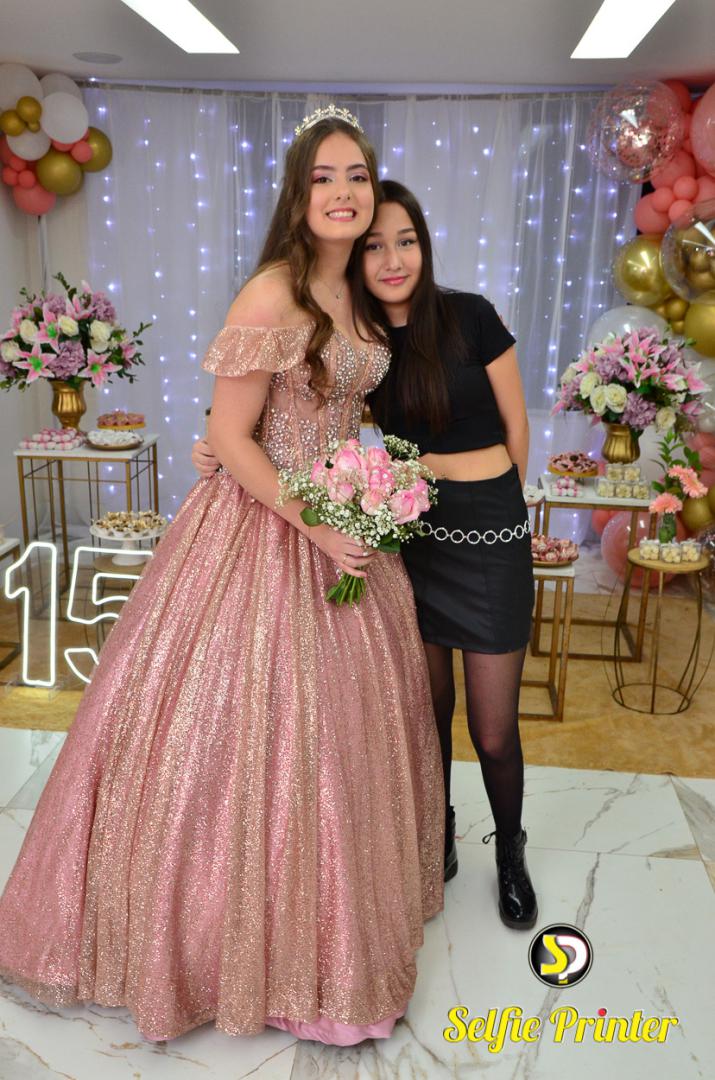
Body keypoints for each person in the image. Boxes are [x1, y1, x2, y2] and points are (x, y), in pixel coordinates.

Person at [0, 113, 444, 1046]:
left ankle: (333, 934)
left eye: (356, 177)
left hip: (339, 516)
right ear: (298, 192)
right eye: (323, 177)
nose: (342, 193)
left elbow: (323, 410)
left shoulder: (360, 290)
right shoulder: (271, 292)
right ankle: (216, 948)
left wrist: (366, 485)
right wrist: (316, 522)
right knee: (233, 731)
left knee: (339, 741)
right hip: (264, 528)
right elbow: (234, 436)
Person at [194, 178, 537, 930]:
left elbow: (517, 429)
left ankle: (510, 852)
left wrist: (508, 518)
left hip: (489, 537)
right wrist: (219, 439)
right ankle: (436, 832)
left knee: (492, 729)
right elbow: (301, 402)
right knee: (426, 711)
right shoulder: (364, 336)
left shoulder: (472, 316)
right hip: (407, 535)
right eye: (375, 246)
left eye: (405, 241)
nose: (392, 259)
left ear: (424, 245)